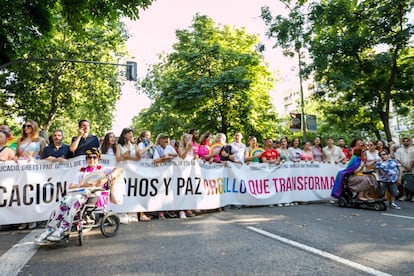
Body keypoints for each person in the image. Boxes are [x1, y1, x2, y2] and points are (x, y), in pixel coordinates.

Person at [35, 148, 123, 243]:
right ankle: (50, 229)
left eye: (94, 157)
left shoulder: (102, 169)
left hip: (94, 195)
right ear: (86, 159)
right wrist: (83, 184)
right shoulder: (82, 170)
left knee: (76, 200)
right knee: (65, 201)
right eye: (89, 157)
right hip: (81, 192)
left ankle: (62, 229)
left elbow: (119, 169)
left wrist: (106, 178)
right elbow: (71, 186)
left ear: (98, 159)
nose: (92, 159)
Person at [153, 133, 178, 220]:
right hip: (160, 173)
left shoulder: (170, 147)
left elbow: (175, 154)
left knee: (169, 193)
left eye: (167, 139)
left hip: (169, 173)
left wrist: (169, 155)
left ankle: (170, 210)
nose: (166, 141)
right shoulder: (156, 148)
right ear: (159, 140)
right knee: (160, 193)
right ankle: (161, 213)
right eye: (164, 139)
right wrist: (163, 158)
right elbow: (155, 160)